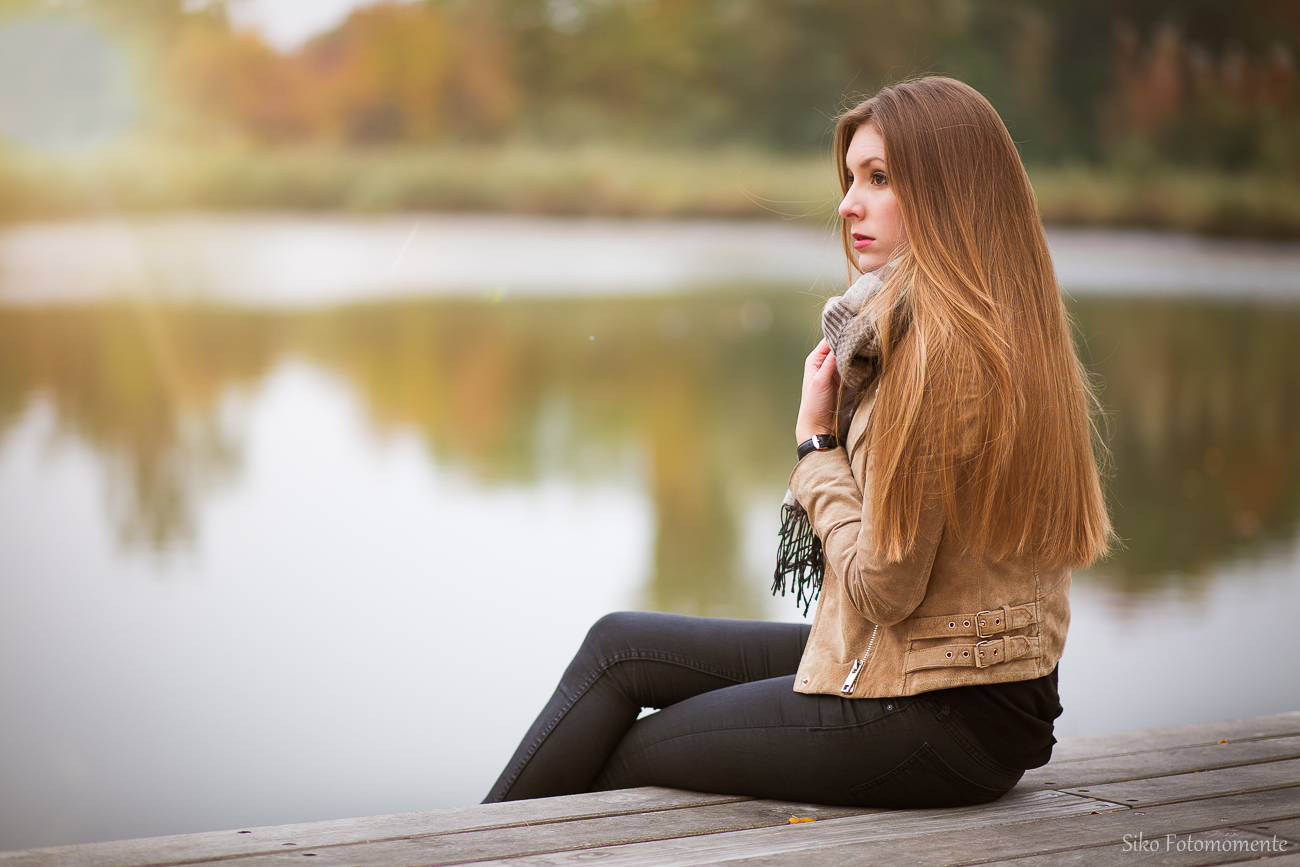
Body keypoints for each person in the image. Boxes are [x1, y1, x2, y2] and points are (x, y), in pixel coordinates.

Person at [483, 76, 1112, 809]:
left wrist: (817, 447)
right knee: (618, 648)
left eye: (879, 179)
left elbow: (882, 586)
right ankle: (465, 848)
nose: (848, 204)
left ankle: (470, 851)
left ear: (953, 194)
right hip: (942, 670)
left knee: (629, 755)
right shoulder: (976, 326)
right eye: (851, 179)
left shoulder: (946, 359)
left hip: (945, 714)